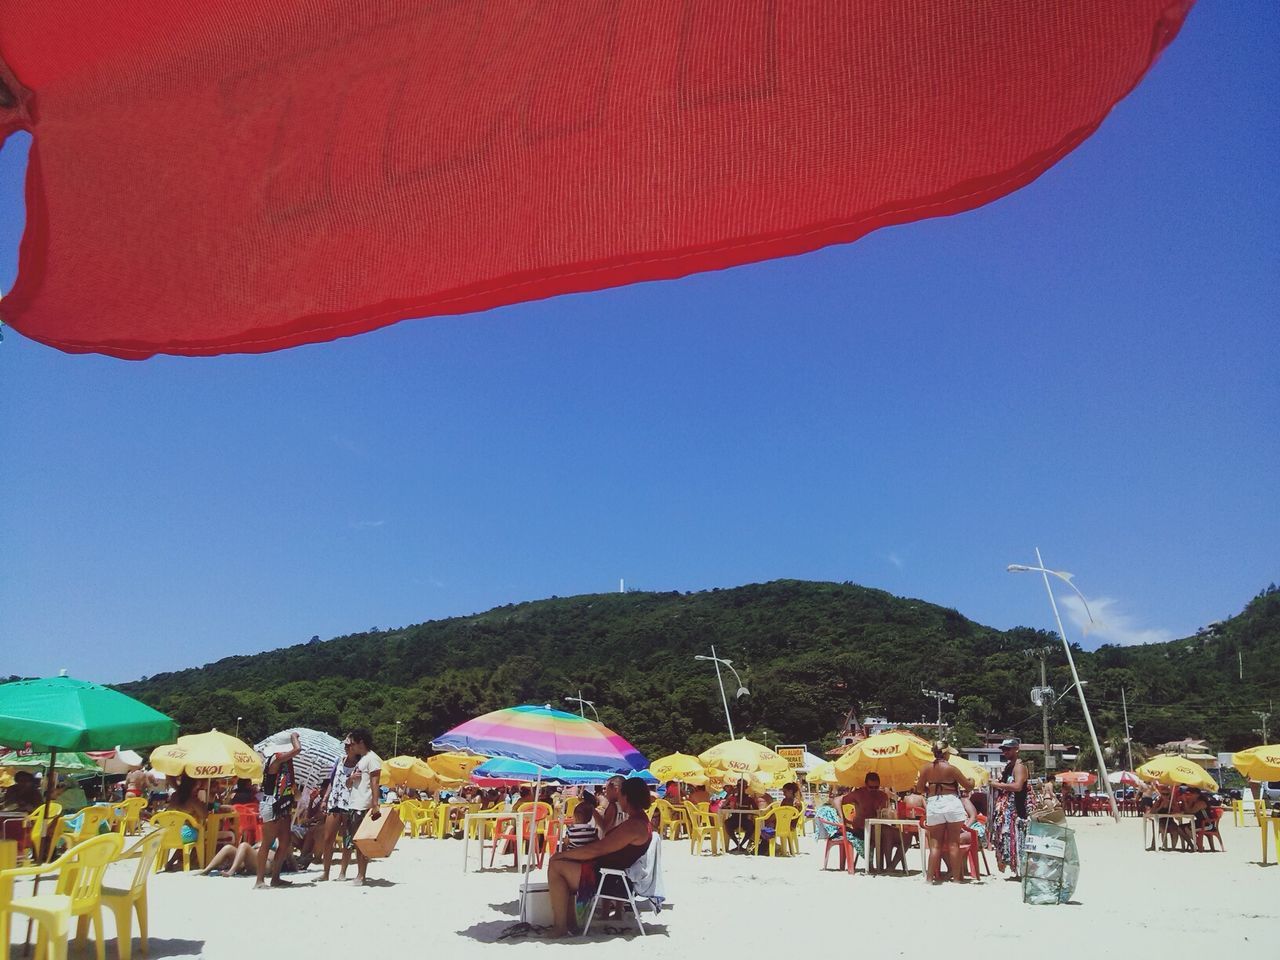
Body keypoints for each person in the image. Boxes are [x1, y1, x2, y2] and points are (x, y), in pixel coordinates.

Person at [546, 777, 654, 938]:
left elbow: (598, 849)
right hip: (610, 873)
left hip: (608, 879)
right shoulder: (640, 822)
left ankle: (560, 927)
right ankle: (569, 923)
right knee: (562, 862)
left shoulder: (634, 826)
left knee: (556, 865)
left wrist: (563, 854)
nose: (619, 799)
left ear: (627, 797)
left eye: (621, 796)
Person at [915, 742, 975, 884]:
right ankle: (957, 879)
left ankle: (929, 879)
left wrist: (933, 789)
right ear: (946, 753)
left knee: (935, 845)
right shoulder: (952, 769)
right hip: (952, 803)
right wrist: (971, 780)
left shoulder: (925, 769)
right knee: (954, 843)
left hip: (934, 803)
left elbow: (919, 789)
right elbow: (968, 786)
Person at [255, 730, 302, 889]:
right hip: (271, 804)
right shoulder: (275, 759)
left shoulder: (286, 764)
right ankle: (259, 880)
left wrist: (296, 793)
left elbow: (291, 789)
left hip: (283, 805)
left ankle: (275, 878)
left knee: (285, 841)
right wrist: (294, 737)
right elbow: (297, 750)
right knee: (267, 843)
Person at [336, 728, 382, 886]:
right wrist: (351, 778)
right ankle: (359, 874)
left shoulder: (372, 759)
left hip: (363, 804)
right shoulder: (361, 760)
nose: (352, 746)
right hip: (354, 803)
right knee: (353, 841)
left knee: (361, 841)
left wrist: (375, 804)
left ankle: (361, 875)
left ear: (361, 742)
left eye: (353, 743)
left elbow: (375, 783)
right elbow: (349, 783)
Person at [842, 773, 901, 871]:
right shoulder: (858, 794)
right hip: (862, 829)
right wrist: (845, 819)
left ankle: (889, 865)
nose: (874, 789)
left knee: (905, 837)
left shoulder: (882, 796)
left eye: (876, 787)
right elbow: (839, 800)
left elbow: (884, 813)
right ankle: (884, 865)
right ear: (865, 784)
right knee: (886, 833)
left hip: (879, 827)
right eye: (871, 787)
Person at [319, 736, 359, 881]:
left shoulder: (360, 764)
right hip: (335, 802)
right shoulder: (339, 760)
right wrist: (325, 799)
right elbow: (332, 781)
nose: (346, 748)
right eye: (346, 745)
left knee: (347, 839)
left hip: (350, 804)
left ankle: (343, 872)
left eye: (349, 745)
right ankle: (326, 872)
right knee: (328, 838)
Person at [989, 738, 1029, 878]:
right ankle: (1016, 869)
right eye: (1003, 749)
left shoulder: (1019, 767)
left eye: (1008, 749)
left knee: (1017, 839)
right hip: (1007, 811)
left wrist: (998, 785)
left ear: (1016, 749)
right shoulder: (1008, 767)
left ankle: (1021, 870)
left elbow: (1018, 786)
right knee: (1008, 839)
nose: (1005, 752)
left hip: (1016, 810)